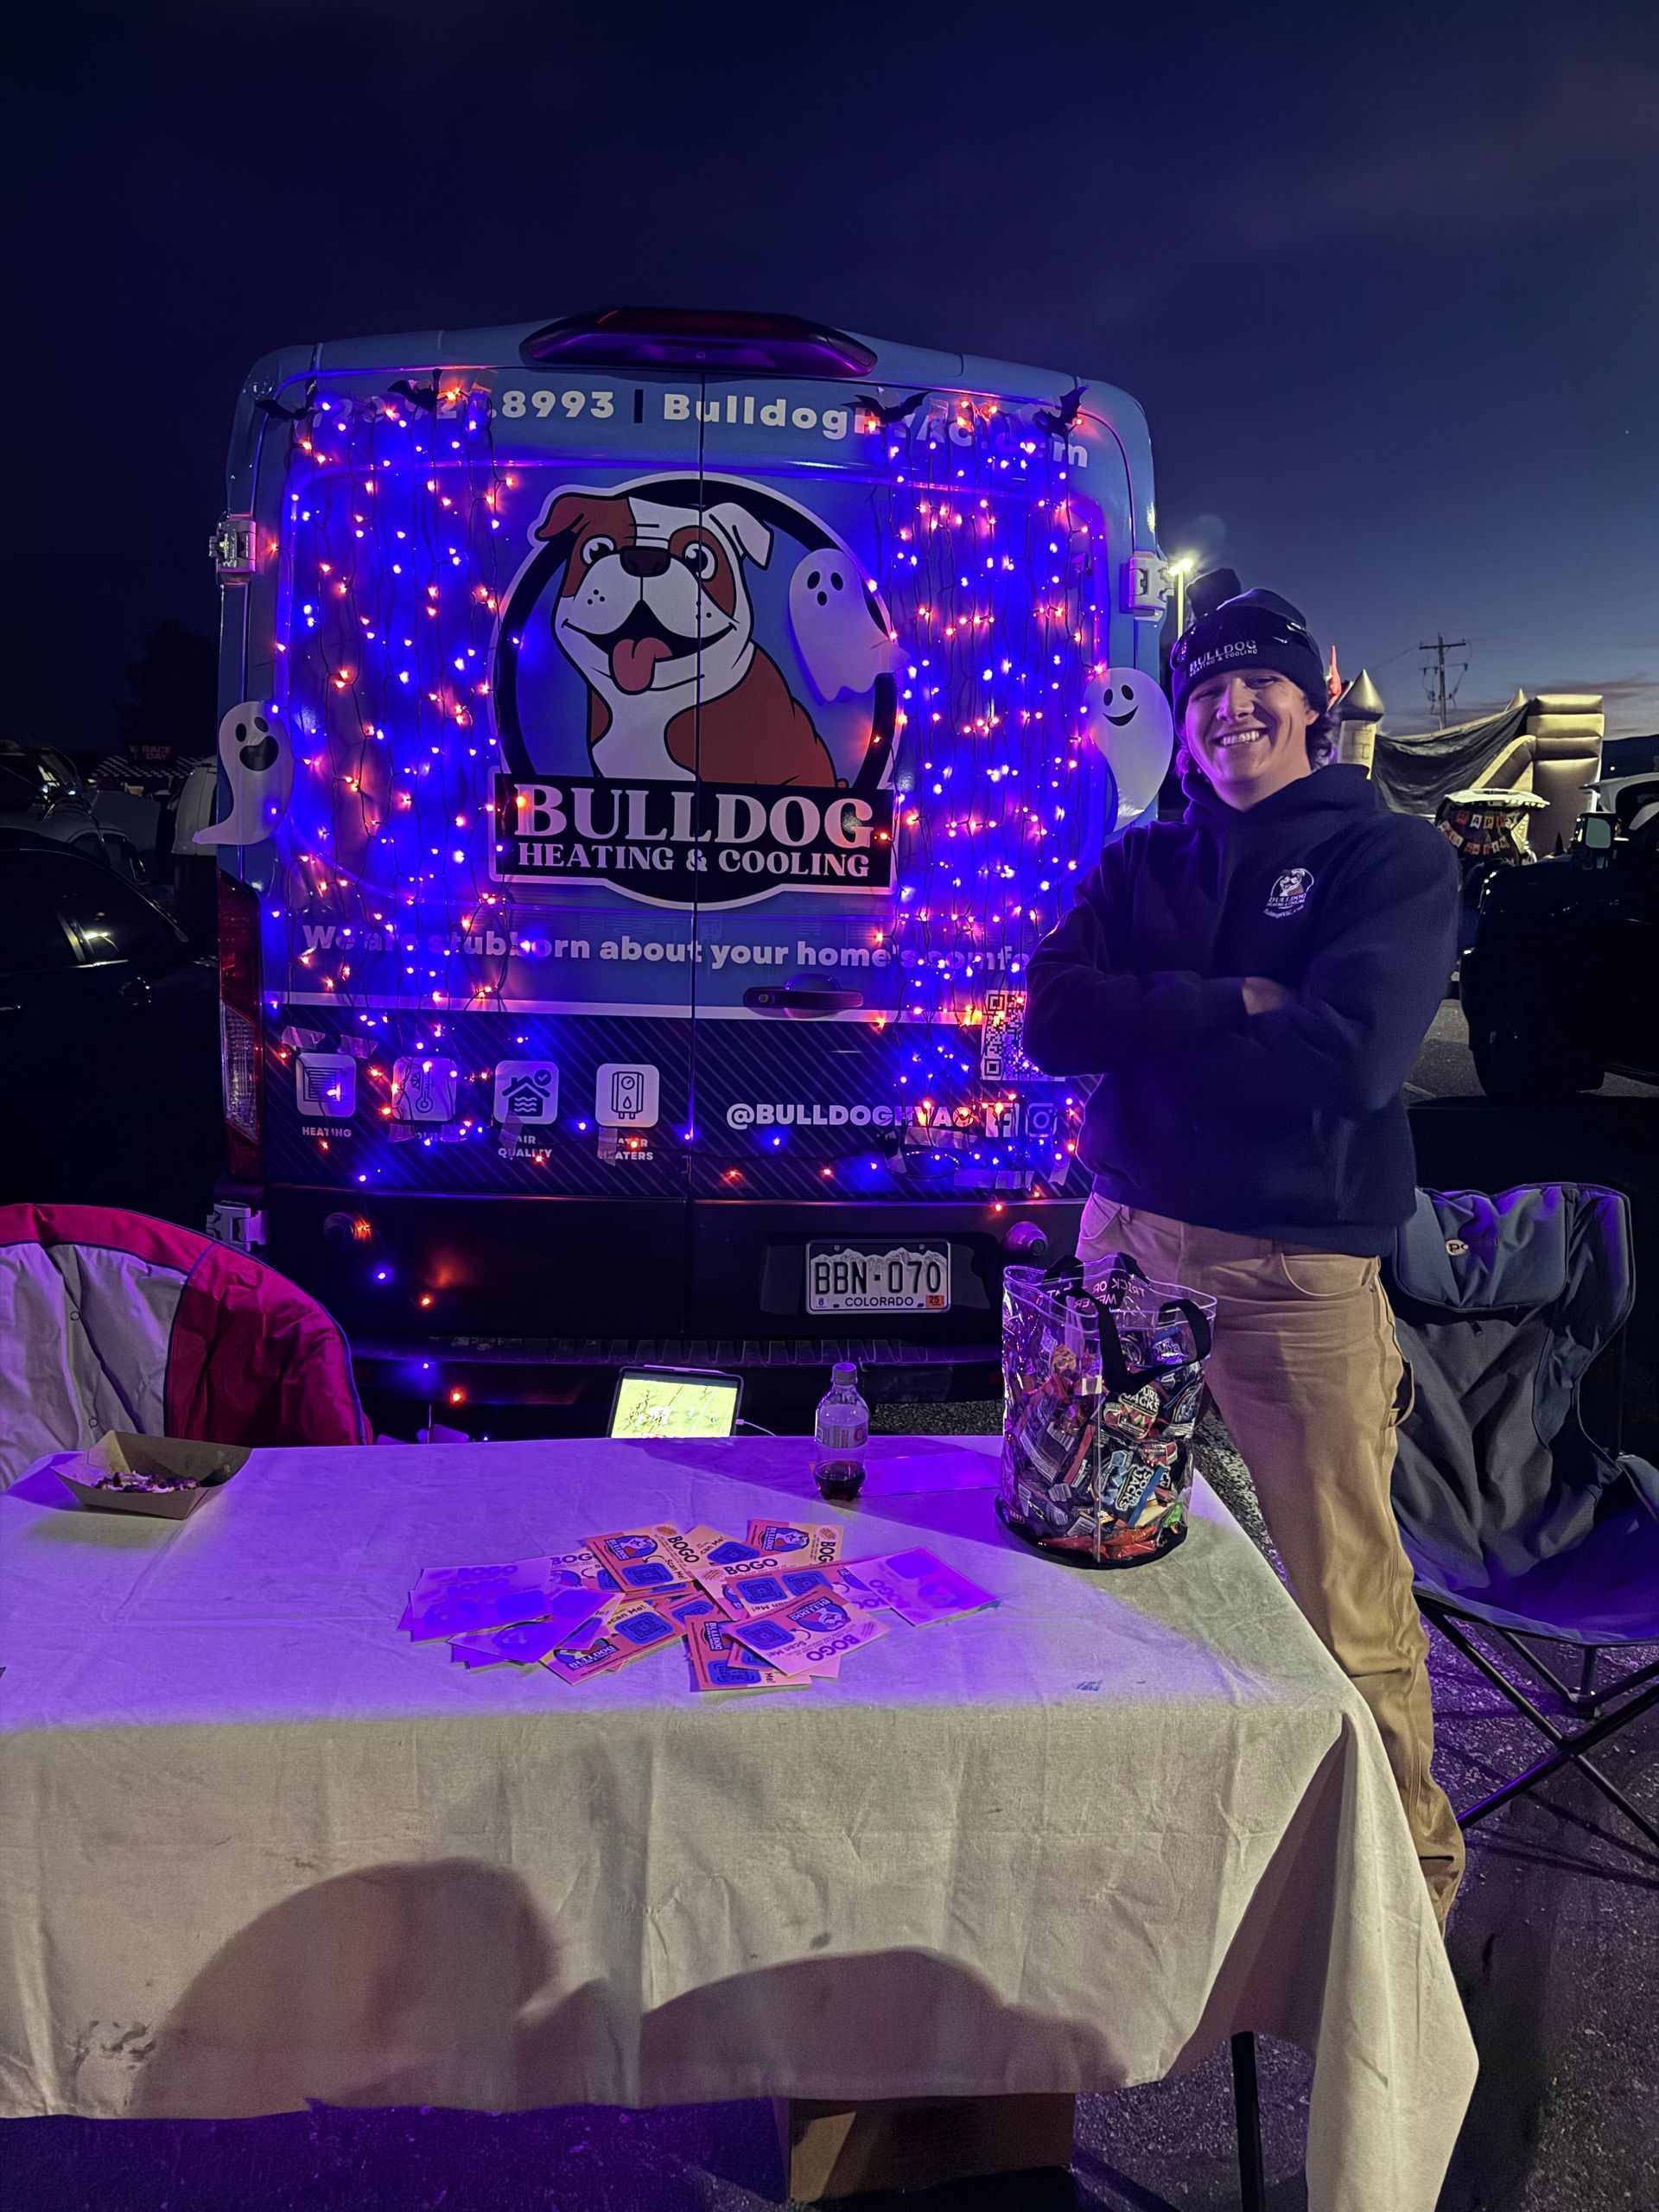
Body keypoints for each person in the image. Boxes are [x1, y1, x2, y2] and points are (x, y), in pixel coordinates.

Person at [1024, 588, 1465, 1923]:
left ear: (1310, 703)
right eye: (1206, 692)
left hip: (1294, 1277)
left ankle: (1408, 1886)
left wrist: (1151, 1029)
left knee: (1347, 1596)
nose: (1231, 712)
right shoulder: (1142, 863)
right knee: (1093, 1548)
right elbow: (1051, 1018)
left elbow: (1356, 1058)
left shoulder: (1389, 860)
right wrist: (1239, 1001)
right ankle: (1124, 1848)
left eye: (1257, 686)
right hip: (1130, 1245)